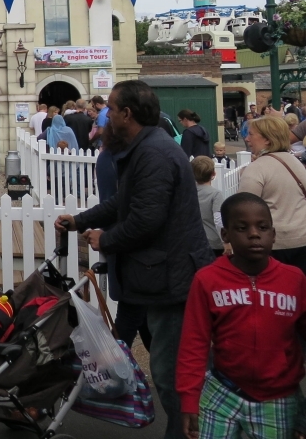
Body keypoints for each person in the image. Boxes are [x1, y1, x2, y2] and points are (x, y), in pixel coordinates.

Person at [56, 80, 214, 439]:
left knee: (172, 371)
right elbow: (124, 204)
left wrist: (105, 239)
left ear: (127, 114)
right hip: (160, 275)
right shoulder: (144, 148)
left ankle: (185, 432)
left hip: (171, 279)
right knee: (170, 365)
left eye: (111, 108)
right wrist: (81, 220)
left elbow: (147, 219)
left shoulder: (153, 154)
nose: (106, 115)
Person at [177, 193, 306, 439]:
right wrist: (189, 399)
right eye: (242, 228)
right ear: (226, 235)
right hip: (221, 391)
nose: (254, 234)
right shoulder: (207, 280)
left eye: (263, 227)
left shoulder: (295, 280)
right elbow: (194, 344)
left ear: (274, 233)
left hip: (278, 398)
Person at [94, 121, 151, 351]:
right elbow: (115, 202)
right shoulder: (112, 158)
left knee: (140, 314)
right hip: (128, 240)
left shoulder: (115, 157)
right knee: (132, 312)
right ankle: (114, 365)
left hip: (127, 240)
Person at [238, 114, 306, 275]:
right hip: (302, 239)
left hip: (274, 246)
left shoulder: (257, 169)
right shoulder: (296, 163)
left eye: (251, 134)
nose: (247, 139)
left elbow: (243, 210)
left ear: (267, 140)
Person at [192, 156, 225, 258]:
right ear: (213, 174)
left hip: (195, 240)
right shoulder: (216, 194)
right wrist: (225, 240)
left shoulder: (189, 192)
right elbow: (218, 219)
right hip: (214, 242)